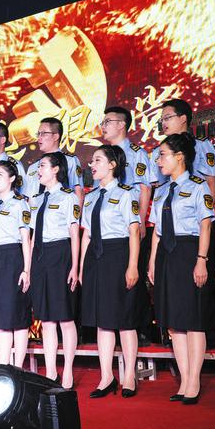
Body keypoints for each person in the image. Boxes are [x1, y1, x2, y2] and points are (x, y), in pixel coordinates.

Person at [147, 133, 215, 404]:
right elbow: (157, 231)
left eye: (163, 155)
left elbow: (205, 225)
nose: (158, 160)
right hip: (166, 255)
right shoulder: (161, 191)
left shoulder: (198, 186)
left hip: (189, 252)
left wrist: (202, 259)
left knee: (192, 319)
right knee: (174, 322)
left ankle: (194, 380)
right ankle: (184, 379)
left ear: (180, 157)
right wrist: (152, 261)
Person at [79, 145, 141, 398]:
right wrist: (81, 268)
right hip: (95, 257)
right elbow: (86, 234)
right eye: (92, 161)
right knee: (102, 320)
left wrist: (133, 266)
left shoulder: (126, 194)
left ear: (112, 165)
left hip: (118, 255)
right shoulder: (91, 196)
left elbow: (134, 231)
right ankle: (106, 377)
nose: (92, 165)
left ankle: (129, 376)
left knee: (124, 318)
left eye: (97, 160)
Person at [101, 106, 154, 346]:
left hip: (130, 222)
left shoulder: (136, 153)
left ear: (122, 124)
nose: (103, 126)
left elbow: (144, 188)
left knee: (134, 275)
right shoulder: (102, 154)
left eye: (108, 121)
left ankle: (139, 327)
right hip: (108, 225)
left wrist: (140, 220)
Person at [29, 152, 80, 389]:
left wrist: (75, 266)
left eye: (42, 166)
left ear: (56, 169)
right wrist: (29, 267)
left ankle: (67, 370)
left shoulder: (69, 197)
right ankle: (51, 372)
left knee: (65, 318)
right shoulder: (37, 200)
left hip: (60, 254)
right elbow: (31, 237)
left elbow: (74, 234)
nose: (38, 171)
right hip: (40, 256)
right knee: (47, 319)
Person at [0, 161, 32, 366]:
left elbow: (25, 239)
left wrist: (26, 269)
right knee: (1, 317)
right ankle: (3, 366)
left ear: (12, 179)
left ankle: (17, 367)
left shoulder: (19, 204)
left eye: (0, 175)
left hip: (13, 258)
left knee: (16, 314)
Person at [150, 99, 215, 197]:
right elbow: (157, 187)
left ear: (183, 119)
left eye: (167, 118)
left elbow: (211, 184)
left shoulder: (201, 145)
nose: (163, 123)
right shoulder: (157, 151)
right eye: (162, 120)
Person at [23, 117, 84, 205]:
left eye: (44, 134)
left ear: (55, 136)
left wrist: (76, 214)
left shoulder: (70, 160)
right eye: (38, 134)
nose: (39, 138)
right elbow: (27, 198)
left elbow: (78, 192)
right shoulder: (33, 167)